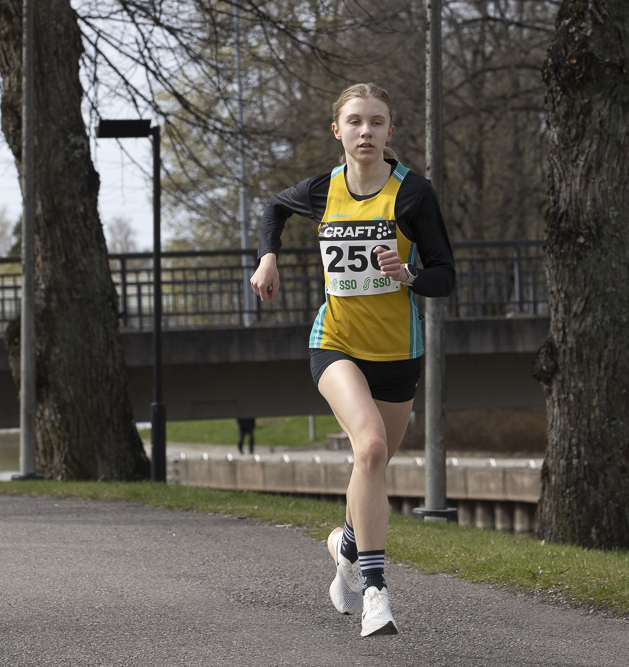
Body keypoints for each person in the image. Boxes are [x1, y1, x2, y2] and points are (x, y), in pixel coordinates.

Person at [250, 82, 454, 637]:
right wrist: (268, 257)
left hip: (398, 352)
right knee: (371, 447)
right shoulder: (323, 190)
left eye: (377, 122)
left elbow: (445, 276)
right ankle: (375, 593)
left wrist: (408, 275)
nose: (366, 131)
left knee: (372, 465)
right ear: (337, 130)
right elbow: (273, 208)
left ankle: (345, 544)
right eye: (356, 121)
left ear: (390, 131)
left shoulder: (414, 194)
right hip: (336, 343)